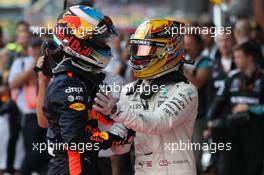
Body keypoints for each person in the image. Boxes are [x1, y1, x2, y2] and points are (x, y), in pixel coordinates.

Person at [93, 19, 198, 175]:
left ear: (167, 51)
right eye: (135, 48)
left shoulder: (186, 90)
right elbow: (124, 145)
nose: (137, 54)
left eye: (143, 49)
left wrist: (115, 109)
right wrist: (110, 137)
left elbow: (157, 122)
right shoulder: (129, 90)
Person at [42, 5, 127, 175]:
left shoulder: (79, 78)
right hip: (71, 166)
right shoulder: (67, 82)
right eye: (99, 40)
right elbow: (75, 142)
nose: (104, 45)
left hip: (86, 163)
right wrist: (113, 136)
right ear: (78, 41)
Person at [206, 41, 264, 175]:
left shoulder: (262, 77)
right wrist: (209, 123)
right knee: (227, 167)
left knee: (252, 168)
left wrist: (249, 108)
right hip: (231, 130)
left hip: (255, 132)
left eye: (238, 57)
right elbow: (218, 101)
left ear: (249, 58)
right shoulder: (232, 77)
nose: (234, 60)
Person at [8, 37, 47, 175]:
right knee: (32, 154)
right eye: (33, 47)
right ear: (28, 49)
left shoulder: (49, 63)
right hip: (29, 114)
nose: (36, 50)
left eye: (39, 47)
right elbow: (13, 84)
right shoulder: (21, 63)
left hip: (48, 114)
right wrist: (33, 66)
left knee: (46, 155)